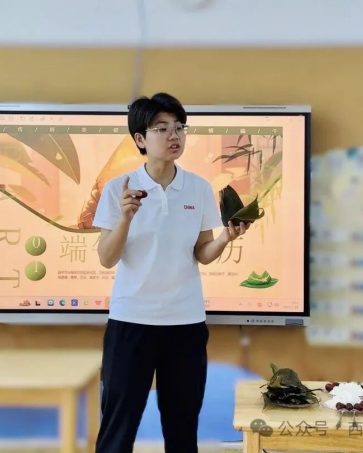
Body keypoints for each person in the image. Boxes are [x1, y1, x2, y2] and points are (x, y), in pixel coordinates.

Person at [92, 93, 249, 453]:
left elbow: (202, 254)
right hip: (131, 322)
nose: (174, 135)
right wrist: (125, 219)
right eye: (161, 128)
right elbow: (106, 258)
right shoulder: (119, 189)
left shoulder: (198, 187)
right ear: (140, 139)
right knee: (118, 427)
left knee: (182, 427)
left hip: (185, 324)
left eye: (179, 127)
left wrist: (225, 237)